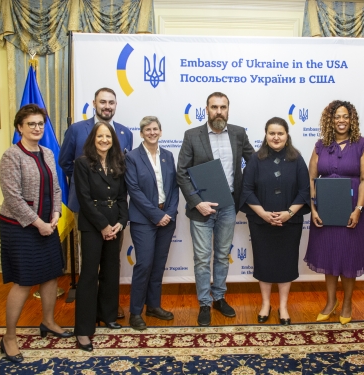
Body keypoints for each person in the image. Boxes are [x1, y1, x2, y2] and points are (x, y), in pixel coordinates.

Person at [0, 104, 73, 363]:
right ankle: (9, 337)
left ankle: (49, 321)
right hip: (18, 228)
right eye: (31, 124)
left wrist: (54, 215)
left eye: (40, 124)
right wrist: (37, 223)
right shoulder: (12, 156)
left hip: (47, 225)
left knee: (52, 275)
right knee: (24, 281)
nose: (37, 128)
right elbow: (13, 197)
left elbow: (56, 188)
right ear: (20, 127)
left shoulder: (48, 153)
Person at [177, 92, 254, 326]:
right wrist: (196, 202)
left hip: (228, 205)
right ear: (206, 109)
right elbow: (182, 172)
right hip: (201, 207)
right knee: (202, 258)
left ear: (228, 109)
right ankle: (204, 303)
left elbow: (255, 162)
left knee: (222, 255)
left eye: (223, 107)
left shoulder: (239, 134)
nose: (218, 111)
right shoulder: (192, 135)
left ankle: (219, 297)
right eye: (214, 107)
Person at [59, 87, 132, 320]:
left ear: (116, 105)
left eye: (111, 102)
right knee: (90, 265)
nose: (107, 106)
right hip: (86, 209)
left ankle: (107, 310)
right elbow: (66, 162)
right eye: (103, 102)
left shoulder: (124, 132)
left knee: (111, 264)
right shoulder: (76, 129)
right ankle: (89, 315)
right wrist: (88, 183)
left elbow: (121, 172)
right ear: (94, 103)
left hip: (113, 211)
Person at [303, 100, 364, 325]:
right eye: (337, 117)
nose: (341, 120)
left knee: (349, 257)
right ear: (330, 121)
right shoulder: (320, 145)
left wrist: (358, 209)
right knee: (329, 255)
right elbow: (312, 179)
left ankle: (347, 303)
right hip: (325, 208)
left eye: (345, 116)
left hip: (353, 208)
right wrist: (313, 208)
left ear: (351, 120)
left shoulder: (362, 145)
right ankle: (330, 301)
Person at [240, 117, 309, 325]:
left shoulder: (297, 158)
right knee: (264, 262)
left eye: (280, 133)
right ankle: (265, 304)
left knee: (286, 263)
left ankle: (284, 307)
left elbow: (305, 190)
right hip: (261, 222)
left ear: (287, 135)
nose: (276, 137)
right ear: (266, 135)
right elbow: (246, 190)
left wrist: (289, 212)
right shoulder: (255, 159)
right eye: (272, 133)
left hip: (290, 222)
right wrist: (262, 213)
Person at [73, 122, 128, 351]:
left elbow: (123, 197)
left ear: (113, 139)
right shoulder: (83, 163)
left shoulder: (118, 162)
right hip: (92, 225)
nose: (104, 140)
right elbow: (84, 199)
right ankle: (84, 330)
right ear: (92, 139)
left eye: (108, 136)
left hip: (115, 224)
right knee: (88, 275)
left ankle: (108, 315)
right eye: (100, 136)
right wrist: (103, 226)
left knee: (111, 270)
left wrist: (120, 223)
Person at [125, 116, 179, 330]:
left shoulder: (168, 155)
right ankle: (135, 312)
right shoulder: (132, 157)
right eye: (147, 129)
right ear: (141, 133)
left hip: (167, 217)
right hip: (143, 220)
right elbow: (134, 190)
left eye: (155, 129)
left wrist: (171, 212)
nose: (152, 132)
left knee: (158, 266)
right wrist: (156, 216)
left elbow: (174, 187)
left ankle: (153, 306)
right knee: (144, 265)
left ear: (161, 131)